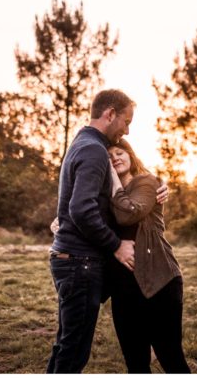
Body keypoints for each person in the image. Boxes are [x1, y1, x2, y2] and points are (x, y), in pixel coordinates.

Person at [46, 89, 167, 374]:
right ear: (109, 114)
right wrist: (116, 245)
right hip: (80, 261)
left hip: (72, 259)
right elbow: (81, 209)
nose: (127, 129)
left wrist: (154, 185)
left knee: (67, 345)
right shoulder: (93, 149)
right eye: (126, 121)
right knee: (74, 352)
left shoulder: (82, 143)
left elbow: (84, 203)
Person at [107, 138, 190, 373]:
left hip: (159, 280)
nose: (114, 158)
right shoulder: (107, 192)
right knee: (135, 363)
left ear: (130, 155)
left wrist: (112, 178)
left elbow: (128, 215)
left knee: (171, 357)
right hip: (124, 288)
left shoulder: (147, 182)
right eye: (108, 155)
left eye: (119, 152)